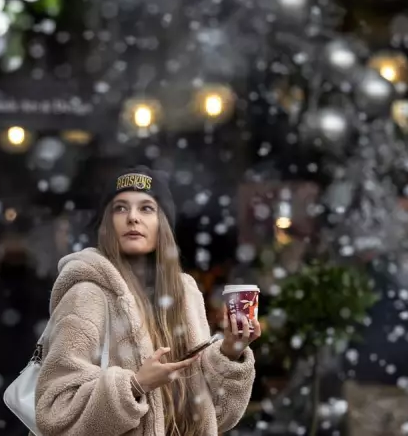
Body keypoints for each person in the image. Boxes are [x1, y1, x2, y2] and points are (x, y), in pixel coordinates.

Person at [35, 166, 259, 436]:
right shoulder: (87, 296)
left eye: (146, 208)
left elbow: (216, 417)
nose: (132, 217)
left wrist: (230, 354)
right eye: (120, 208)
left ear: (162, 224)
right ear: (107, 224)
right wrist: (135, 386)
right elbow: (55, 413)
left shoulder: (186, 296)